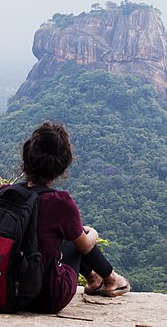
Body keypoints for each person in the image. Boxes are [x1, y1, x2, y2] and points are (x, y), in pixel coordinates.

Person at [21, 121, 130, 313]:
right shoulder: (60, 203)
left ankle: (94, 278)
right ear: (61, 166)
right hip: (44, 297)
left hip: (4, 289)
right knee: (80, 234)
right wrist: (93, 233)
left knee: (66, 233)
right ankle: (111, 279)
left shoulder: (7, 193)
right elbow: (84, 246)